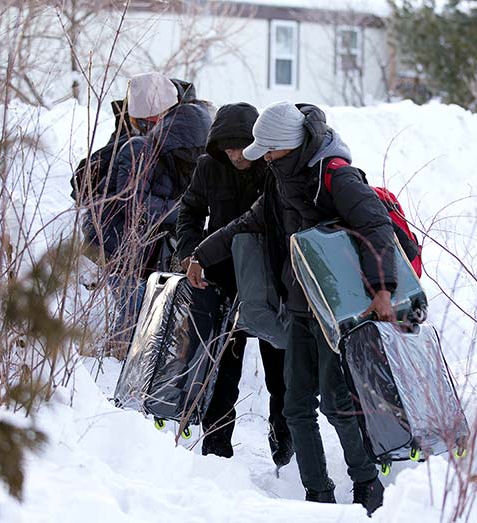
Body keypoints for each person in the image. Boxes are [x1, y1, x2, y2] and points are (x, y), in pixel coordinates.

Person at [189, 101, 394, 515]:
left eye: (268, 150)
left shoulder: (336, 176)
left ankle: (367, 485)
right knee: (296, 404)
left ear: (286, 146)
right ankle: (317, 494)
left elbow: (377, 226)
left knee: (337, 403)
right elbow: (247, 222)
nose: (262, 157)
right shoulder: (279, 180)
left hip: (341, 308)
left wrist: (383, 288)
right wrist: (201, 255)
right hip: (300, 303)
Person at [176, 103, 292, 465]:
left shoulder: (273, 166)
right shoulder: (209, 167)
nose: (234, 155)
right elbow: (190, 210)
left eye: (240, 147)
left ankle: (284, 450)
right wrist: (188, 251)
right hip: (222, 280)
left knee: (281, 376)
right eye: (226, 149)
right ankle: (216, 453)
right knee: (222, 374)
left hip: (271, 283)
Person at [99, 72, 212, 355]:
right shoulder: (202, 125)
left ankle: (124, 352)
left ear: (151, 119)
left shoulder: (144, 145)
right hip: (179, 236)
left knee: (134, 307)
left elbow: (133, 202)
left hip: (141, 244)